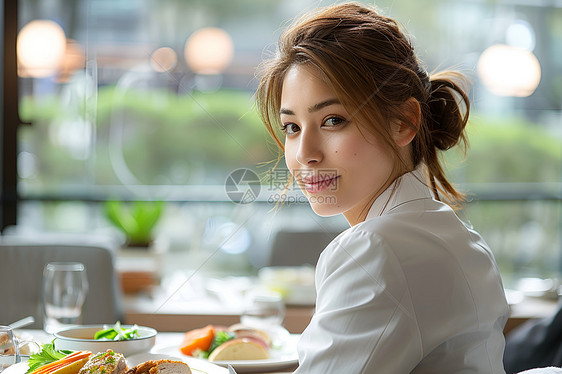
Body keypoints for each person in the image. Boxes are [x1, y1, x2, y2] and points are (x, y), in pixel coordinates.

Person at [255, 2, 509, 373]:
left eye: (333, 120)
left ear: (404, 122)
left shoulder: (377, 250)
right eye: (292, 127)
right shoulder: (454, 234)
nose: (304, 154)